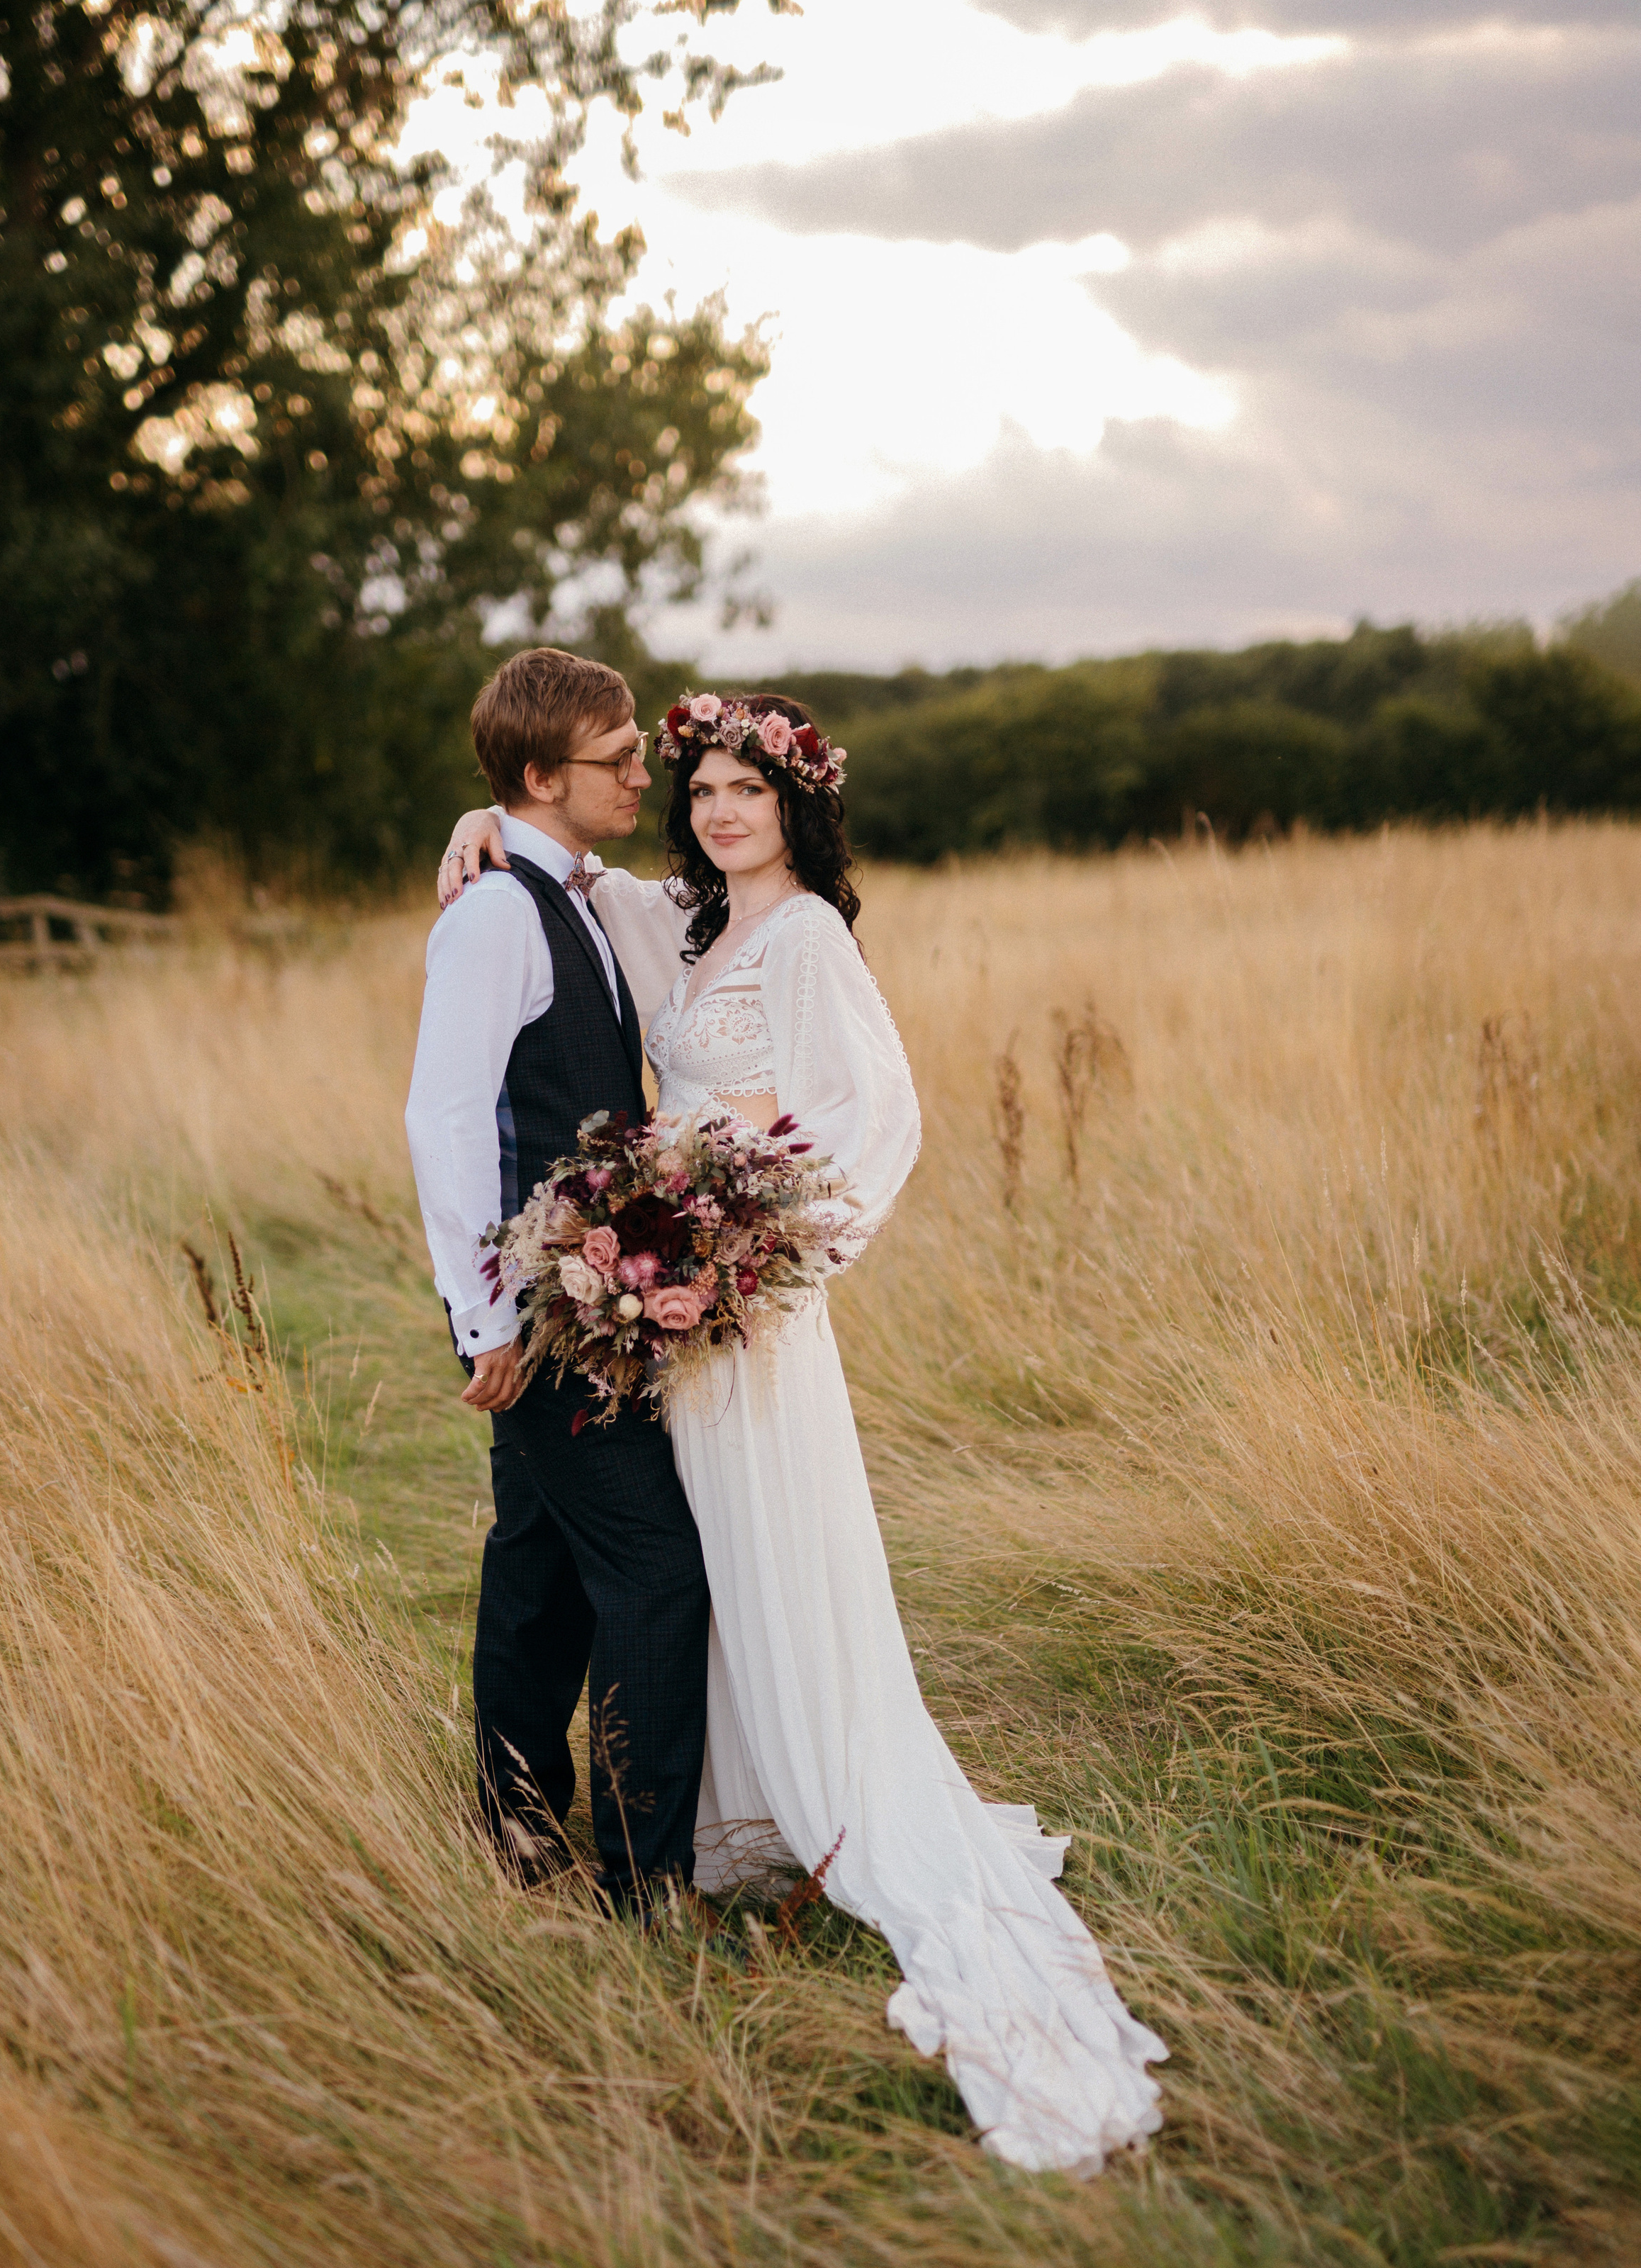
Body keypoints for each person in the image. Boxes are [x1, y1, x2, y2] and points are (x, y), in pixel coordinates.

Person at [434, 688, 1167, 2177]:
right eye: (694, 784)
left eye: (741, 793)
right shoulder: (672, 925)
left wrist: (748, 1256)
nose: (710, 809)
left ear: (797, 808)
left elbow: (872, 1119)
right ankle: (713, 1806)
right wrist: (478, 825)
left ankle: (801, 1797)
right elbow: (554, 870)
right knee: (684, 1558)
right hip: (663, 1315)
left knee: (740, 1549)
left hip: (743, 1318)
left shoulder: (812, 943)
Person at [404, 648, 711, 1916]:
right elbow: (447, 1118)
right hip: (543, 1315)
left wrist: (485, 816)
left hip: (576, 1300)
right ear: (543, 775)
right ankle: (648, 1879)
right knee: (653, 1567)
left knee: (537, 1561)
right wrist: (485, 1317)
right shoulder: (489, 916)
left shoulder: (571, 888)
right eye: (617, 758)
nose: (644, 771)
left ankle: (517, 1822)